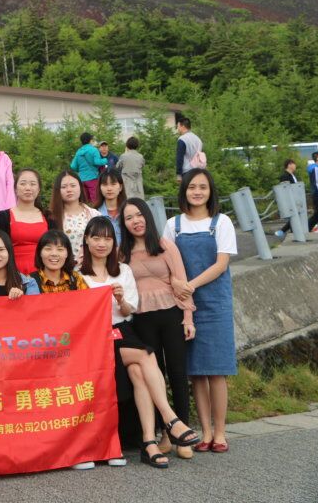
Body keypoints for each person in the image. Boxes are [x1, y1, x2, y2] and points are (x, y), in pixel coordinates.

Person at [78, 216, 200, 470]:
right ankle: (169, 418)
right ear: (86, 240)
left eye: (107, 239)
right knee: (146, 356)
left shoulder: (122, 271)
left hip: (122, 330)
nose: (102, 244)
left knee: (138, 370)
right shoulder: (78, 276)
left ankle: (148, 442)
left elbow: (128, 311)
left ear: (114, 243)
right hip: (95, 337)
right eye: (96, 238)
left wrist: (121, 300)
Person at [162, 168, 237, 454]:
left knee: (217, 370)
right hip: (184, 306)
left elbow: (221, 265)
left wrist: (188, 285)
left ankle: (220, 431)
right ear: (184, 192)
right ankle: (204, 431)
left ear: (210, 191)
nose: (196, 191)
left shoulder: (222, 222)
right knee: (196, 372)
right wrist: (179, 287)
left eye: (202, 187)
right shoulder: (173, 224)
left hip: (215, 302)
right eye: (192, 187)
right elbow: (167, 263)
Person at [119, 199, 197, 460]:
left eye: (139, 215)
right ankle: (166, 433)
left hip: (171, 313)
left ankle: (182, 435)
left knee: (177, 372)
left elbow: (182, 283)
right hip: (142, 318)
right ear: (124, 223)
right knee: (157, 375)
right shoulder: (122, 253)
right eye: (129, 217)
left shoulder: (165, 246)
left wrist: (188, 317)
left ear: (148, 217)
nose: (136, 221)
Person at [0, 169, 56, 275]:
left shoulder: (49, 218)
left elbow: (56, 247)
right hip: (12, 273)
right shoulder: (3, 216)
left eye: (33, 184)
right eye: (23, 184)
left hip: (45, 273)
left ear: (38, 189)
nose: (28, 188)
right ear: (15, 188)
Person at [49, 169, 100, 266]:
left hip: (90, 269)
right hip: (62, 270)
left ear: (80, 187)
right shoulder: (51, 218)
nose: (69, 190)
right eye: (64, 187)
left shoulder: (94, 215)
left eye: (73, 186)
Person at [0, 229, 38, 297]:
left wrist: (22, 299)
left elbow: (35, 307)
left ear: (9, 252)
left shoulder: (28, 284)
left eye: (1, 249)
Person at [69, 133, 107, 204]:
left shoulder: (79, 152)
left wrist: (80, 170)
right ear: (90, 140)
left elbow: (73, 166)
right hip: (92, 178)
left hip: (81, 179)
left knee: (84, 201)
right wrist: (105, 160)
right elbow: (97, 162)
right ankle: (95, 214)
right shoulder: (94, 150)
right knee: (95, 200)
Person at [95, 169, 127, 245]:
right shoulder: (94, 213)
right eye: (105, 184)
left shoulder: (128, 211)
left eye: (113, 184)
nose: (109, 188)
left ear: (120, 187)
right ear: (100, 188)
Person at [274, 159, 299, 239]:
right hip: (290, 200)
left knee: (295, 216)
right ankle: (285, 231)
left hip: (294, 199)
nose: (295, 166)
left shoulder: (292, 175)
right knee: (294, 216)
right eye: (294, 164)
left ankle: (288, 232)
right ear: (289, 165)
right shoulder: (285, 176)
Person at [175, 116, 205, 183]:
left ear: (182, 126)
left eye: (178, 126)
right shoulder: (198, 139)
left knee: (187, 192)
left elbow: (179, 158)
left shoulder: (182, 139)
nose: (177, 129)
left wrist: (178, 174)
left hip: (187, 172)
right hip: (198, 171)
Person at [307, 151, 318, 232]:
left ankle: (308, 228)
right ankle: (307, 228)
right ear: (317, 158)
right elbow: (316, 183)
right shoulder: (316, 168)